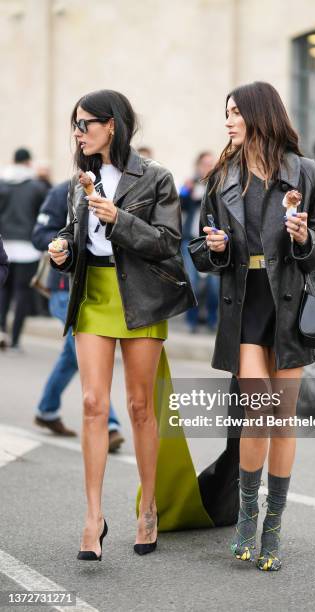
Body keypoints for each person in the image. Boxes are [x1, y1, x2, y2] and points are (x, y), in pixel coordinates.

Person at [189, 81, 315, 571]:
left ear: (259, 115)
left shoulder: (307, 173)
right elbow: (201, 248)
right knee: (257, 413)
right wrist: (214, 249)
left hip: (290, 305)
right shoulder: (222, 177)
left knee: (281, 420)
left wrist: (303, 238)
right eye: (226, 112)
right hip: (245, 306)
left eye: (235, 112)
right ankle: (246, 517)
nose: (229, 120)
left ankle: (273, 526)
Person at [48, 89, 196, 560]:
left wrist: (120, 220)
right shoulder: (79, 181)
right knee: (93, 403)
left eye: (84, 123)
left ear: (111, 124)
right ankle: (93, 518)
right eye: (74, 124)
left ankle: (148, 508)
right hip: (94, 298)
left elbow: (169, 243)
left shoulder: (156, 178)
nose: (78, 132)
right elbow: (78, 240)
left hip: (142, 301)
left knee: (138, 407)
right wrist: (63, 250)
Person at [32, 181, 124, 450]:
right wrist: (62, 242)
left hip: (102, 291)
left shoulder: (120, 189)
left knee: (71, 356)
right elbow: (40, 234)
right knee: (86, 356)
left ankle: (46, 410)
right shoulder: (64, 191)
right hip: (66, 291)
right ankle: (109, 424)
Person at [0, 148, 48, 350]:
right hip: (28, 247)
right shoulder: (37, 187)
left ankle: (1, 331)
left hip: (5, 244)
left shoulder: (2, 184)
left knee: (3, 291)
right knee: (22, 293)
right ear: (28, 162)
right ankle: (16, 340)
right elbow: (42, 216)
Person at [180, 152, 219, 332]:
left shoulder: (220, 185)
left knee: (214, 286)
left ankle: (213, 321)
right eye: (204, 163)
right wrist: (188, 191)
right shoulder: (190, 184)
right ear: (198, 165)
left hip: (212, 242)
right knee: (192, 283)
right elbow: (180, 202)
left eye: (211, 163)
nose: (207, 167)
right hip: (190, 240)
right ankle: (192, 321)